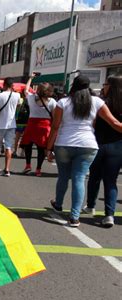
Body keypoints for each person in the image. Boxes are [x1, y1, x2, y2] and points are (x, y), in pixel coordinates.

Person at [46, 75, 122, 227]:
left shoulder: (63, 102)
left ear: (73, 85)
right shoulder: (97, 102)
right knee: (79, 178)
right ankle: (74, 217)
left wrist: (48, 148)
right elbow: (113, 122)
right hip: (88, 144)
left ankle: (59, 203)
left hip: (64, 143)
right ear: (88, 87)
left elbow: (55, 127)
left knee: (63, 176)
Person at [84, 75, 122, 228]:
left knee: (94, 176)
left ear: (110, 86)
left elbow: (92, 123)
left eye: (105, 84)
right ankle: (109, 215)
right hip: (118, 145)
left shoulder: (101, 103)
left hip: (98, 143)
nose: (103, 87)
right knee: (111, 181)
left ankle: (90, 206)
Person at [21, 74, 57, 176]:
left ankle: (28, 165)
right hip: (45, 126)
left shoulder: (31, 98)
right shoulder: (52, 101)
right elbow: (54, 117)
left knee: (28, 145)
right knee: (41, 149)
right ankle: (38, 169)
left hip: (32, 124)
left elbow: (25, 90)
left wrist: (31, 78)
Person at [0, 77, 21, 177]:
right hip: (11, 124)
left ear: (4, 85)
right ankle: (7, 169)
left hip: (0, 124)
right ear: (12, 86)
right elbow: (18, 107)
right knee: (8, 146)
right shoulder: (17, 95)